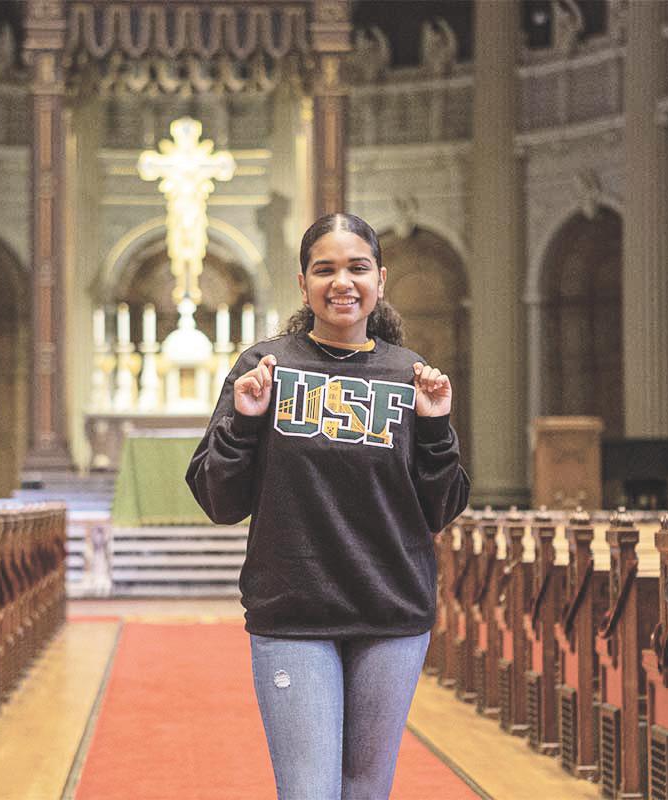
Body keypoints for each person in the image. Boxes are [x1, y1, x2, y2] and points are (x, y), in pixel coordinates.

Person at [185, 212, 470, 799]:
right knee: (308, 792)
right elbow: (218, 499)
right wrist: (244, 421)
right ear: (303, 283)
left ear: (380, 280)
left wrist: (436, 428)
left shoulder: (409, 373)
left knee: (366, 791)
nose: (342, 282)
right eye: (325, 269)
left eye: (357, 268)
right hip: (294, 612)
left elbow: (440, 509)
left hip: (391, 611)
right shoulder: (265, 369)